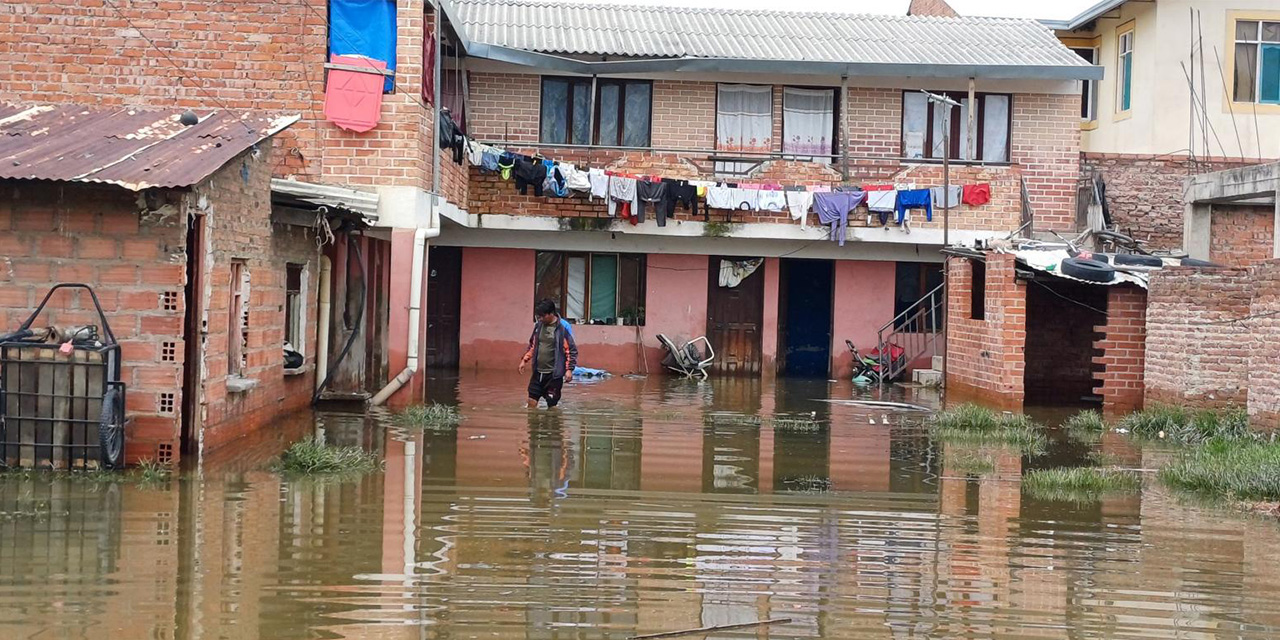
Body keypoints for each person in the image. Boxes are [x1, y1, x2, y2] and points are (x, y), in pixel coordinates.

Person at [519, 299, 578, 408]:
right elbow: (533, 345)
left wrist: (569, 370)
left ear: (551, 313)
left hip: (553, 375)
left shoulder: (562, 329)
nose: (540, 319)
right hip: (538, 372)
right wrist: (524, 360)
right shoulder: (538, 326)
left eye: (542, 316)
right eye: (538, 317)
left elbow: (571, 350)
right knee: (531, 402)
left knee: (552, 406)